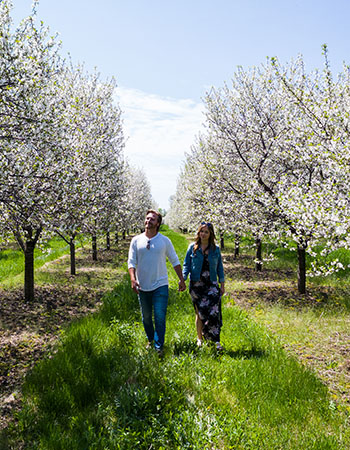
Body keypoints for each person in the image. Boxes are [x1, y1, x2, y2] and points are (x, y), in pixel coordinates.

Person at [128, 209, 186, 354]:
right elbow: (131, 261)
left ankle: (158, 347)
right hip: (143, 285)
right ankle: (151, 339)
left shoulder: (164, 241)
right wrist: (133, 279)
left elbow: (174, 260)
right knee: (146, 317)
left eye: (152, 219)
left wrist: (181, 279)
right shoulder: (136, 240)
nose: (148, 221)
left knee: (159, 316)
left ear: (158, 223)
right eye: (147, 218)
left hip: (160, 285)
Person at [183, 222, 225, 351]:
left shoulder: (215, 249)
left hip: (211, 284)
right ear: (198, 232)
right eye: (202, 231)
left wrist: (222, 285)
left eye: (206, 232)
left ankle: (216, 341)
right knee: (199, 313)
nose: (203, 234)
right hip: (196, 284)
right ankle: (200, 339)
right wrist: (182, 279)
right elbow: (186, 265)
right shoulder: (193, 247)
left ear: (210, 234)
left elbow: (220, 268)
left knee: (214, 311)